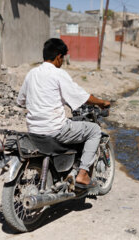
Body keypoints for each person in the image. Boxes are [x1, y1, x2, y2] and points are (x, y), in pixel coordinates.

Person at [17, 38, 110, 188]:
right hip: (55, 129)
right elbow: (83, 97)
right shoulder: (58, 74)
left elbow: (20, 101)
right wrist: (102, 103)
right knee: (94, 130)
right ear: (59, 56)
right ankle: (83, 173)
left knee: (72, 126)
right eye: (63, 58)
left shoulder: (31, 74)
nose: (63, 61)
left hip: (34, 129)